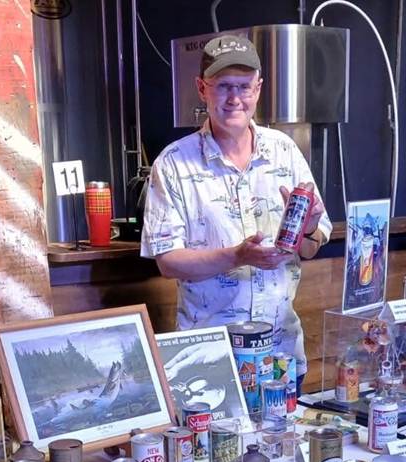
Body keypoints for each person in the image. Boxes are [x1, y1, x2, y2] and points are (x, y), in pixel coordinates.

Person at [141, 35, 332, 394]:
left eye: (244, 86)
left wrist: (308, 230)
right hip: (210, 362)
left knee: (282, 433)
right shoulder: (173, 164)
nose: (235, 98)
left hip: (281, 354)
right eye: (223, 86)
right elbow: (167, 262)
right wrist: (236, 256)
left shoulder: (285, 151)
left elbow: (309, 247)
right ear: (202, 88)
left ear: (258, 89)